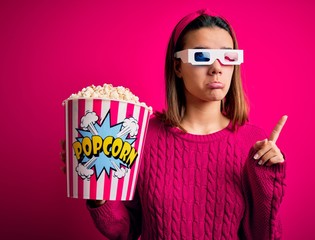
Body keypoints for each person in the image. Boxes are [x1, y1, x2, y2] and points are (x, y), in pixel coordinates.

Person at [83, 9, 287, 240]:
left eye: (228, 57)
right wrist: (96, 186)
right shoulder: (140, 136)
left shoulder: (255, 142)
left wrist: (267, 179)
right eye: (201, 56)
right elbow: (124, 230)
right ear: (178, 66)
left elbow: (263, 235)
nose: (217, 68)